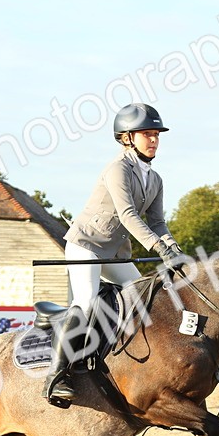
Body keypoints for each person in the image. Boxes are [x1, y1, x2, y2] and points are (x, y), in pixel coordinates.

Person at [43, 102, 184, 408]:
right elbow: (129, 215)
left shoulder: (155, 179)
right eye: (147, 134)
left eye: (156, 134)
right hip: (86, 246)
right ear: (127, 138)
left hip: (116, 254)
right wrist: (159, 248)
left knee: (145, 298)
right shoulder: (117, 169)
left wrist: (174, 248)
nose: (154, 139)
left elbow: (158, 222)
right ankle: (56, 377)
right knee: (86, 301)